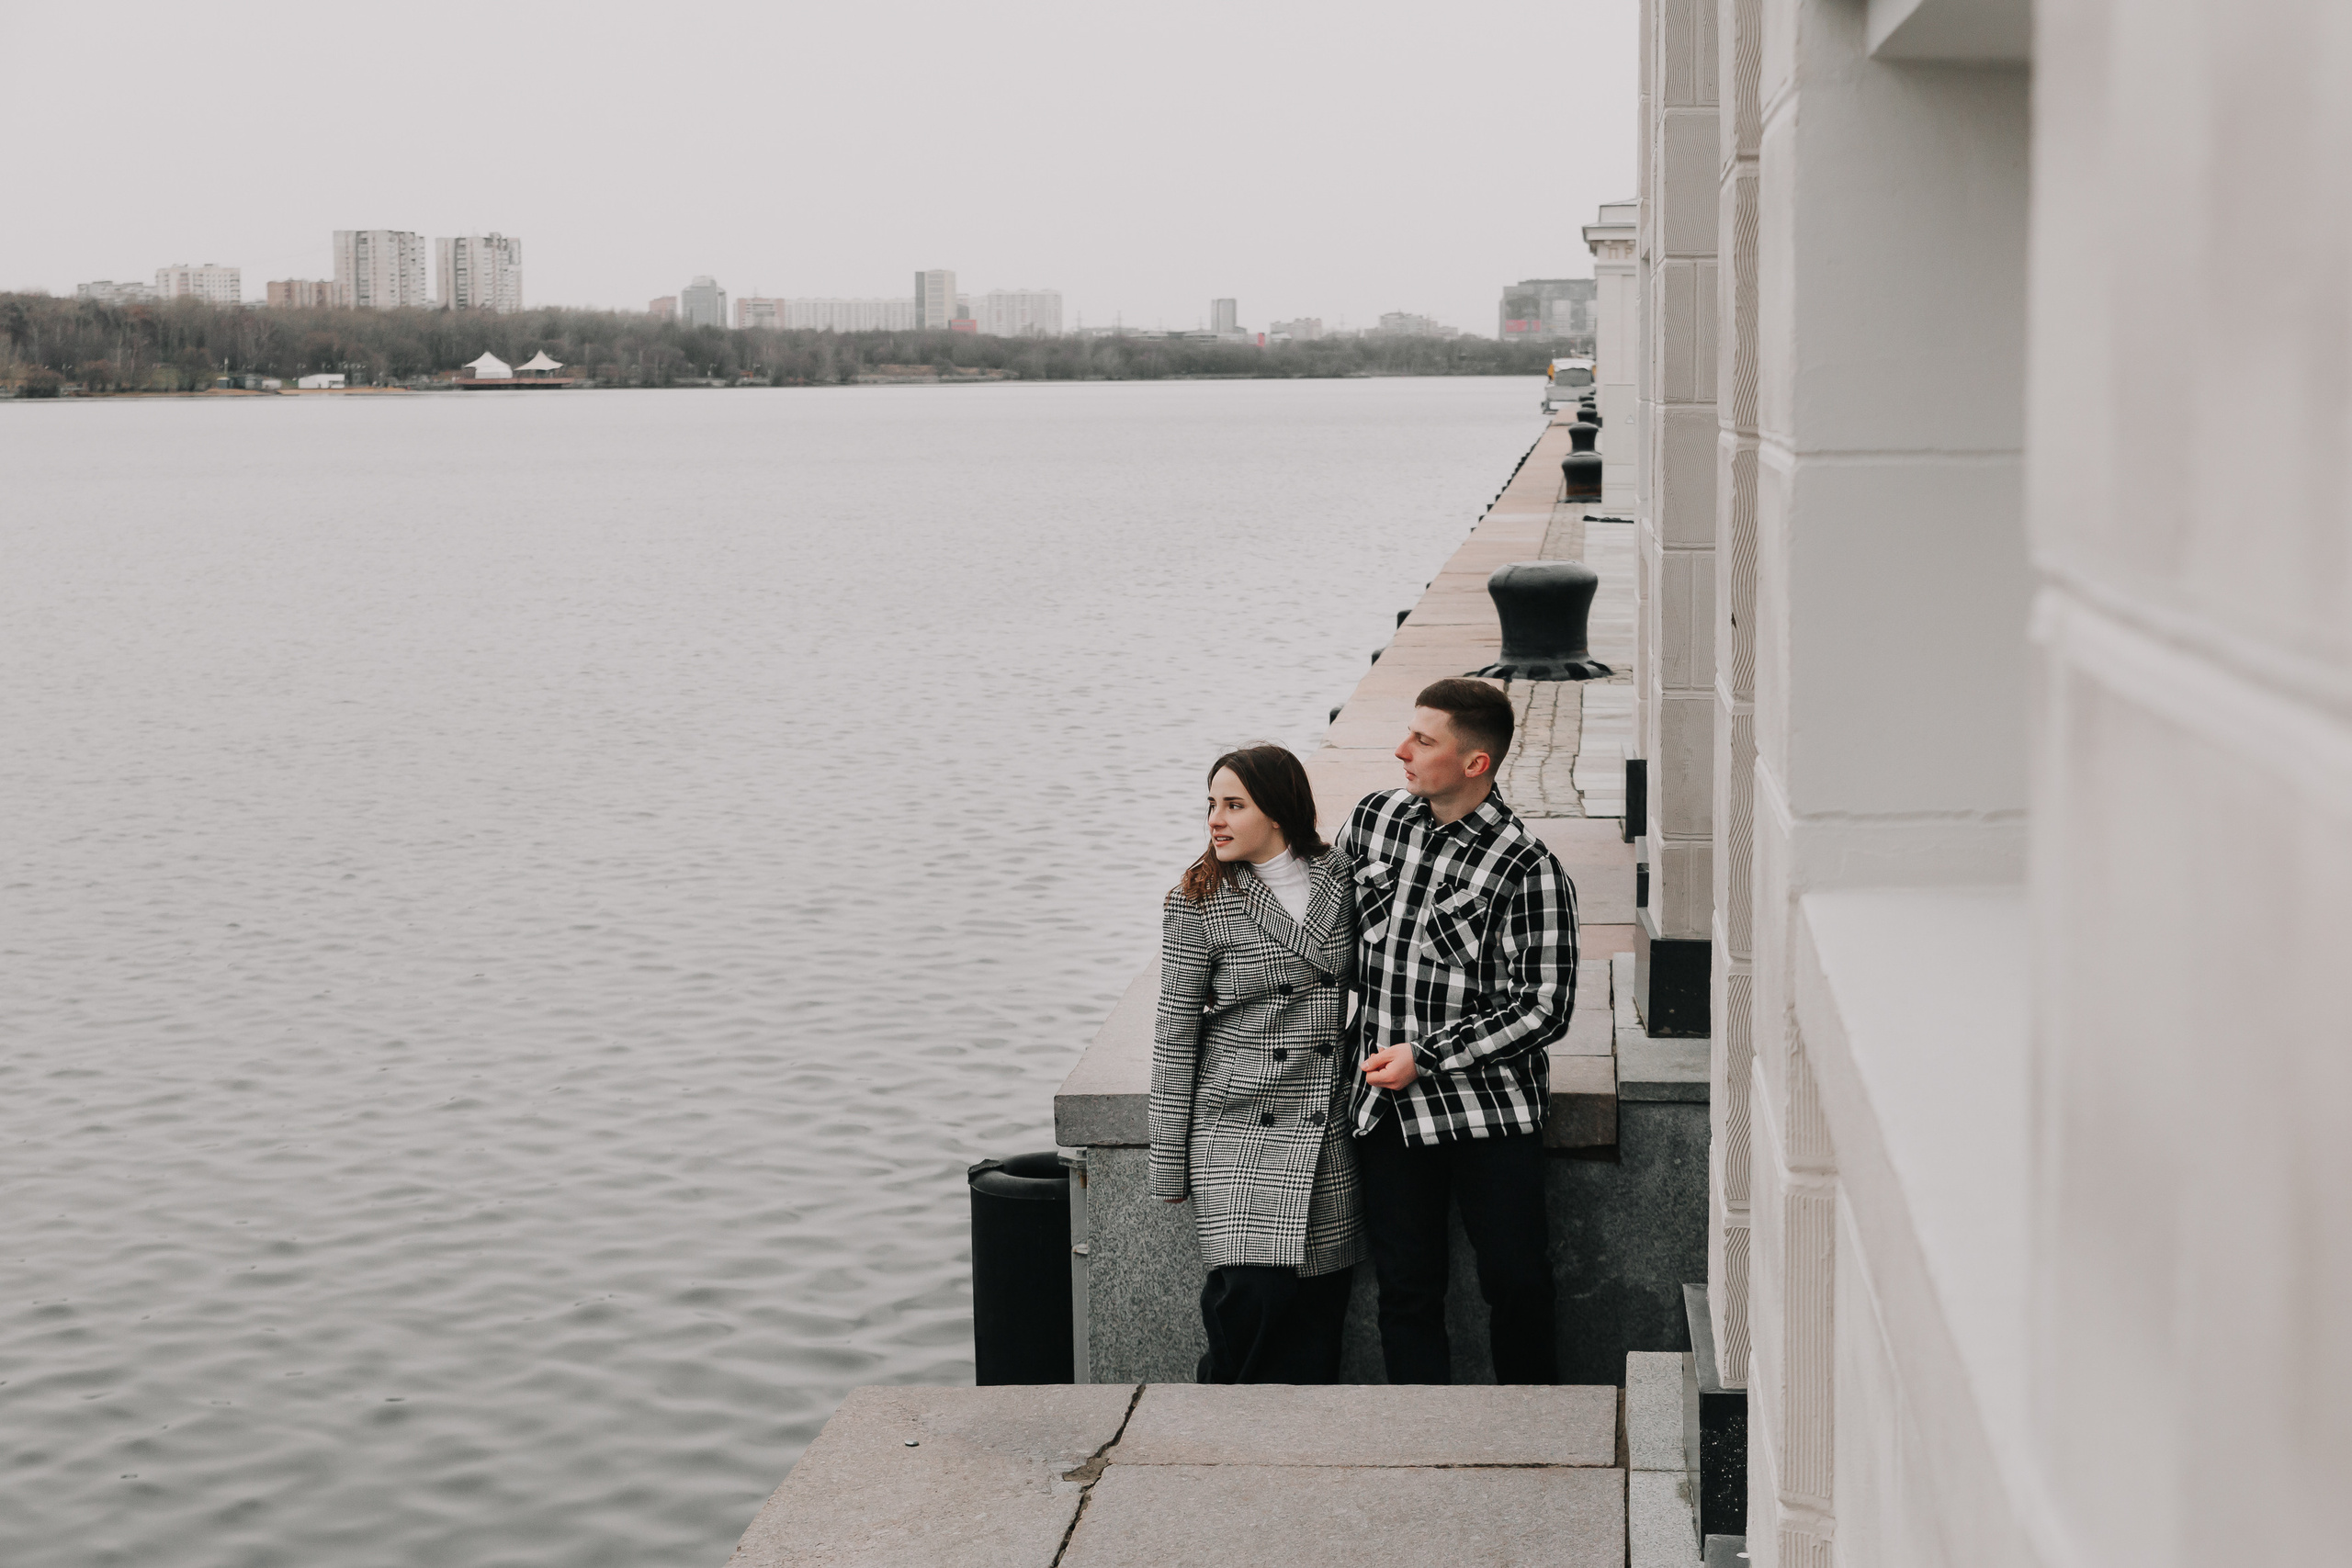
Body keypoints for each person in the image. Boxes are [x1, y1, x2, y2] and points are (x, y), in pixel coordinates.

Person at [1340, 678, 1577, 1384]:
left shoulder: (1526, 866)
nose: (1401, 750)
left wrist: (1429, 1056)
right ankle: (1426, 1441)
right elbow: (1325, 931)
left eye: (1424, 740)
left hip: (1488, 1115)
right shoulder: (1375, 820)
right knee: (1405, 1291)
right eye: (1409, 733)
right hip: (1385, 1105)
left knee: (1517, 1283)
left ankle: (1533, 1433)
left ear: (1475, 762)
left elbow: (1545, 1007)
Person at [1148, 743, 1364, 1383]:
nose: (1215, 819)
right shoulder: (1198, 898)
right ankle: (1225, 1437)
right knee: (1250, 1297)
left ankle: (1301, 1454)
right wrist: (1168, 1160)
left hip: (1324, 1124)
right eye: (1211, 804)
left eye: (1233, 804)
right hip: (1236, 1121)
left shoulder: (1341, 876)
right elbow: (1173, 1032)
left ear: (1277, 809)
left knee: (1318, 1307)